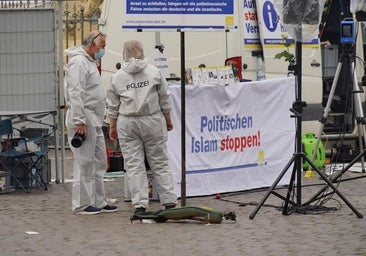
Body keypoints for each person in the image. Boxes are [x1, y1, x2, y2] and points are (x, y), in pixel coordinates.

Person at [106, 40, 178, 215]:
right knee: (159, 161)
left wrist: (113, 126)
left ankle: (139, 204)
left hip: (128, 121)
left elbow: (112, 104)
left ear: (124, 53)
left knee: (134, 164)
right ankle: (169, 200)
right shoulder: (154, 71)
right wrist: (168, 119)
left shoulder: (117, 77)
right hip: (152, 118)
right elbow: (164, 98)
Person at [64, 30, 118, 215]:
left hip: (92, 118)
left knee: (99, 161)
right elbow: (76, 93)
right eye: (102, 46)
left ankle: (98, 200)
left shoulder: (89, 63)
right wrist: (79, 121)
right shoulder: (79, 63)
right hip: (84, 119)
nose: (103, 50)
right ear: (93, 44)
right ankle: (81, 204)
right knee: (84, 162)